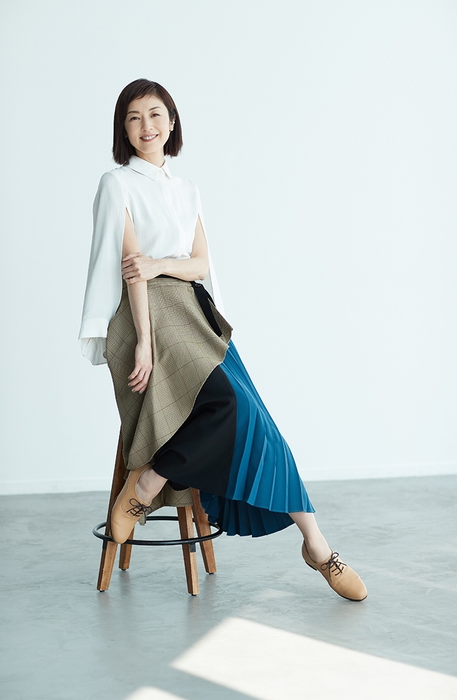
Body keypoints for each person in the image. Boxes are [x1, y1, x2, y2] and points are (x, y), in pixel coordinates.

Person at [79, 78, 367, 602]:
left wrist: (162, 264)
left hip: (194, 310)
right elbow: (132, 270)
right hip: (148, 313)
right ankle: (144, 484)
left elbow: (199, 265)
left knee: (257, 417)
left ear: (172, 122)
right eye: (134, 118)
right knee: (230, 406)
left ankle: (317, 545)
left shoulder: (187, 190)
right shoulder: (117, 183)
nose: (146, 126)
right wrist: (144, 340)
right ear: (123, 129)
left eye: (156, 114)